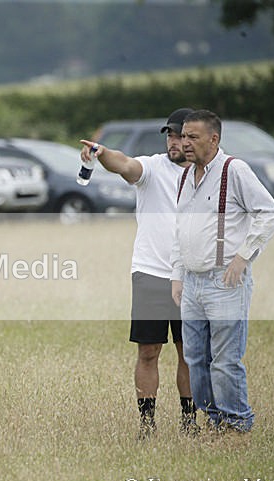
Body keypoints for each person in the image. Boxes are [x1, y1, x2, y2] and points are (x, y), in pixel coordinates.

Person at [80, 108, 198, 440]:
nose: (173, 142)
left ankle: (189, 421)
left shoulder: (209, 174)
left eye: (179, 136)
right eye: (170, 135)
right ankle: (147, 426)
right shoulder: (153, 168)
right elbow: (125, 164)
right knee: (148, 352)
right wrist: (102, 154)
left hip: (192, 276)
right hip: (150, 273)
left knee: (189, 352)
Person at [170, 109, 274, 434]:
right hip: (191, 283)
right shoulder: (184, 176)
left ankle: (236, 424)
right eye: (183, 136)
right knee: (195, 359)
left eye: (193, 137)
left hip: (225, 282)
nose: (185, 143)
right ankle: (215, 419)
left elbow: (271, 214)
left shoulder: (235, 170)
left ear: (214, 139)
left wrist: (243, 257)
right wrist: (178, 274)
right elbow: (180, 230)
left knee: (224, 360)